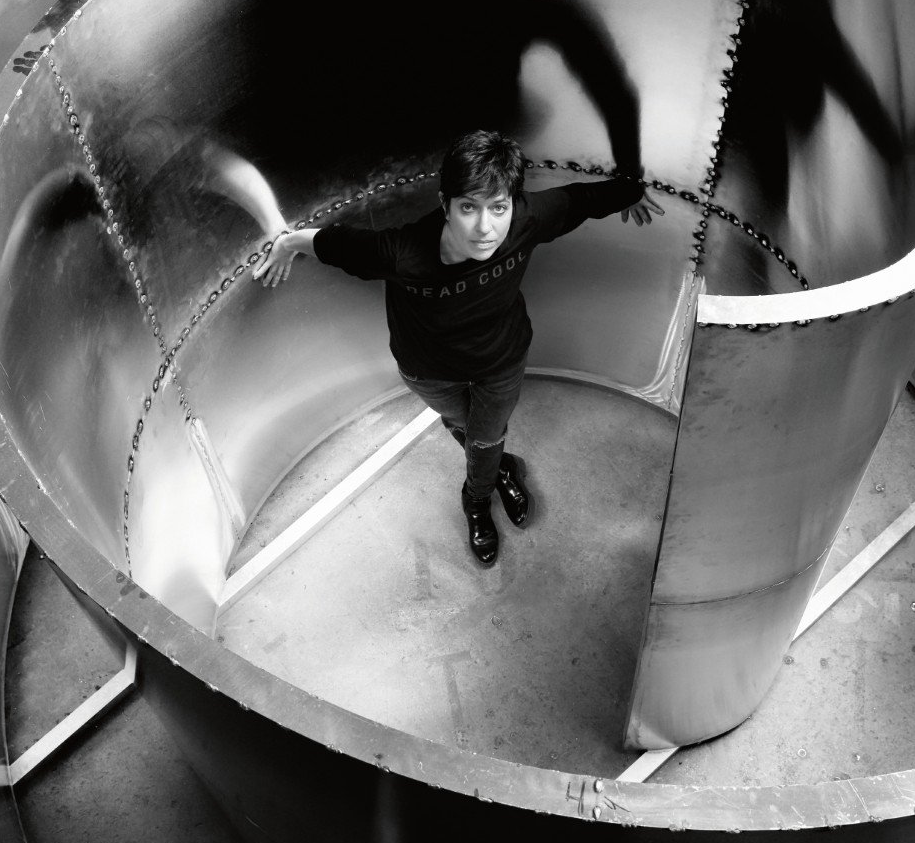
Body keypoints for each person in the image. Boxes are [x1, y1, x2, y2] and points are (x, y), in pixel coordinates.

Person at [253, 131, 661, 567]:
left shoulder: (527, 219)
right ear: (446, 204)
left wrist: (630, 194)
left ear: (512, 205)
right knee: (467, 430)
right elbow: (334, 244)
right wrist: (288, 242)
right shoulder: (403, 253)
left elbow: (582, 200)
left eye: (498, 208)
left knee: (483, 440)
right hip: (429, 371)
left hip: (500, 361)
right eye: (469, 208)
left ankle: (476, 502)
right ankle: (504, 469)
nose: (485, 228)